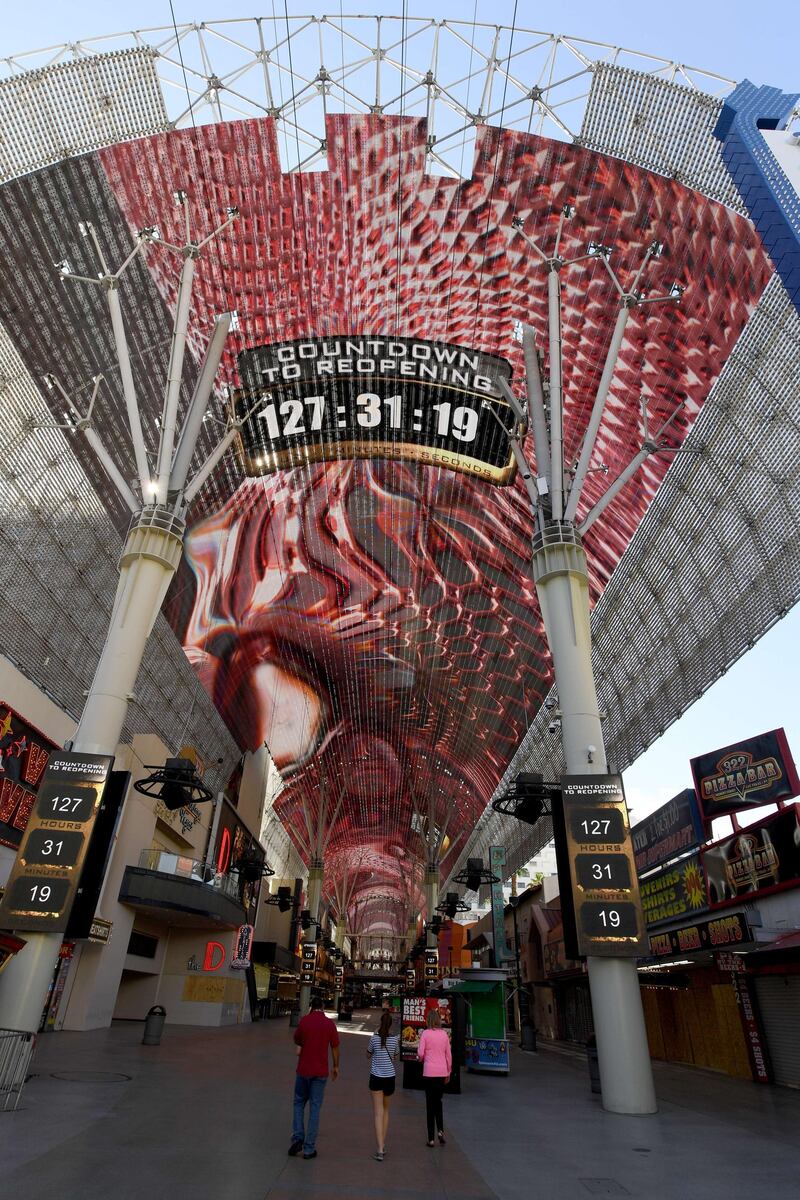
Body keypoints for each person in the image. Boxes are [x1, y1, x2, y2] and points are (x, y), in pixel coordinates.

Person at [289, 995, 340, 1160]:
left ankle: (297, 1137)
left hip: (303, 1070)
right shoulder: (329, 1024)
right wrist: (336, 1066)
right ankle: (309, 1149)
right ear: (323, 1008)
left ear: (311, 1006)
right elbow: (335, 1047)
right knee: (315, 1108)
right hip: (320, 1072)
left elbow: (297, 1038)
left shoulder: (304, 1021)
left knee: (298, 1103)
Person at [366, 1009, 400, 1161]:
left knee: (377, 1113)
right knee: (386, 1111)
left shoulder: (374, 1038)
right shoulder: (394, 1039)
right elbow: (395, 1057)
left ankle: (379, 1149)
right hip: (389, 1077)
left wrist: (375, 1035)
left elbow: (367, 1054)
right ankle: (383, 1143)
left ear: (380, 1023)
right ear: (391, 1025)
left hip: (376, 1077)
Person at [417, 1006, 451, 1147]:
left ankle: (431, 1139)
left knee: (430, 1105)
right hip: (442, 1072)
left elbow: (420, 1053)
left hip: (429, 1073)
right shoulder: (444, 1035)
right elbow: (448, 1055)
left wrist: (422, 1059)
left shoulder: (425, 1034)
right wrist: (448, 1072)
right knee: (439, 1102)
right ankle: (441, 1131)